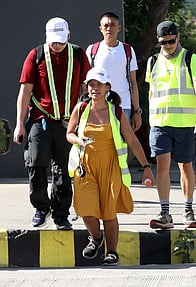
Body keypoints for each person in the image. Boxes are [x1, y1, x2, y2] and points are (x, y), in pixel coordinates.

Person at [66, 67, 155, 265]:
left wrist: (146, 167)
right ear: (87, 88)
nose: (94, 88)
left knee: (108, 211)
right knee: (86, 209)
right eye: (91, 84)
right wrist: (79, 140)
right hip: (85, 166)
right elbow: (69, 133)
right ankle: (96, 238)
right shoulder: (80, 108)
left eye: (99, 84)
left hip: (110, 167)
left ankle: (112, 251)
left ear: (108, 87)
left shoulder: (115, 111)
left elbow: (131, 140)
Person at [13, 17, 91, 230]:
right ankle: (41, 207)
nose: (57, 45)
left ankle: (61, 214)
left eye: (60, 40)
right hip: (41, 121)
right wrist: (20, 124)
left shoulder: (77, 54)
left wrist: (85, 118)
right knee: (35, 163)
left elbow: (86, 88)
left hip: (68, 123)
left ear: (68, 35)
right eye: (53, 41)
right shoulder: (36, 55)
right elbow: (25, 91)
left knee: (63, 171)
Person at [145, 20, 196, 229]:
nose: (168, 45)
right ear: (159, 42)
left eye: (171, 41)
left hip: (186, 123)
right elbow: (152, 92)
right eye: (164, 42)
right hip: (160, 123)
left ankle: (188, 210)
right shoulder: (153, 61)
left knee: (185, 166)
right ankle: (164, 212)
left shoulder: (190, 58)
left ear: (178, 37)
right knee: (162, 167)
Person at [86, 12, 142, 131]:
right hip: (98, 105)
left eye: (112, 25)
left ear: (119, 28)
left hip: (123, 105)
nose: (109, 29)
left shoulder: (128, 50)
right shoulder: (92, 50)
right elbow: (86, 82)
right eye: (105, 25)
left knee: (122, 143)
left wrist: (137, 111)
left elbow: (133, 83)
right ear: (100, 28)